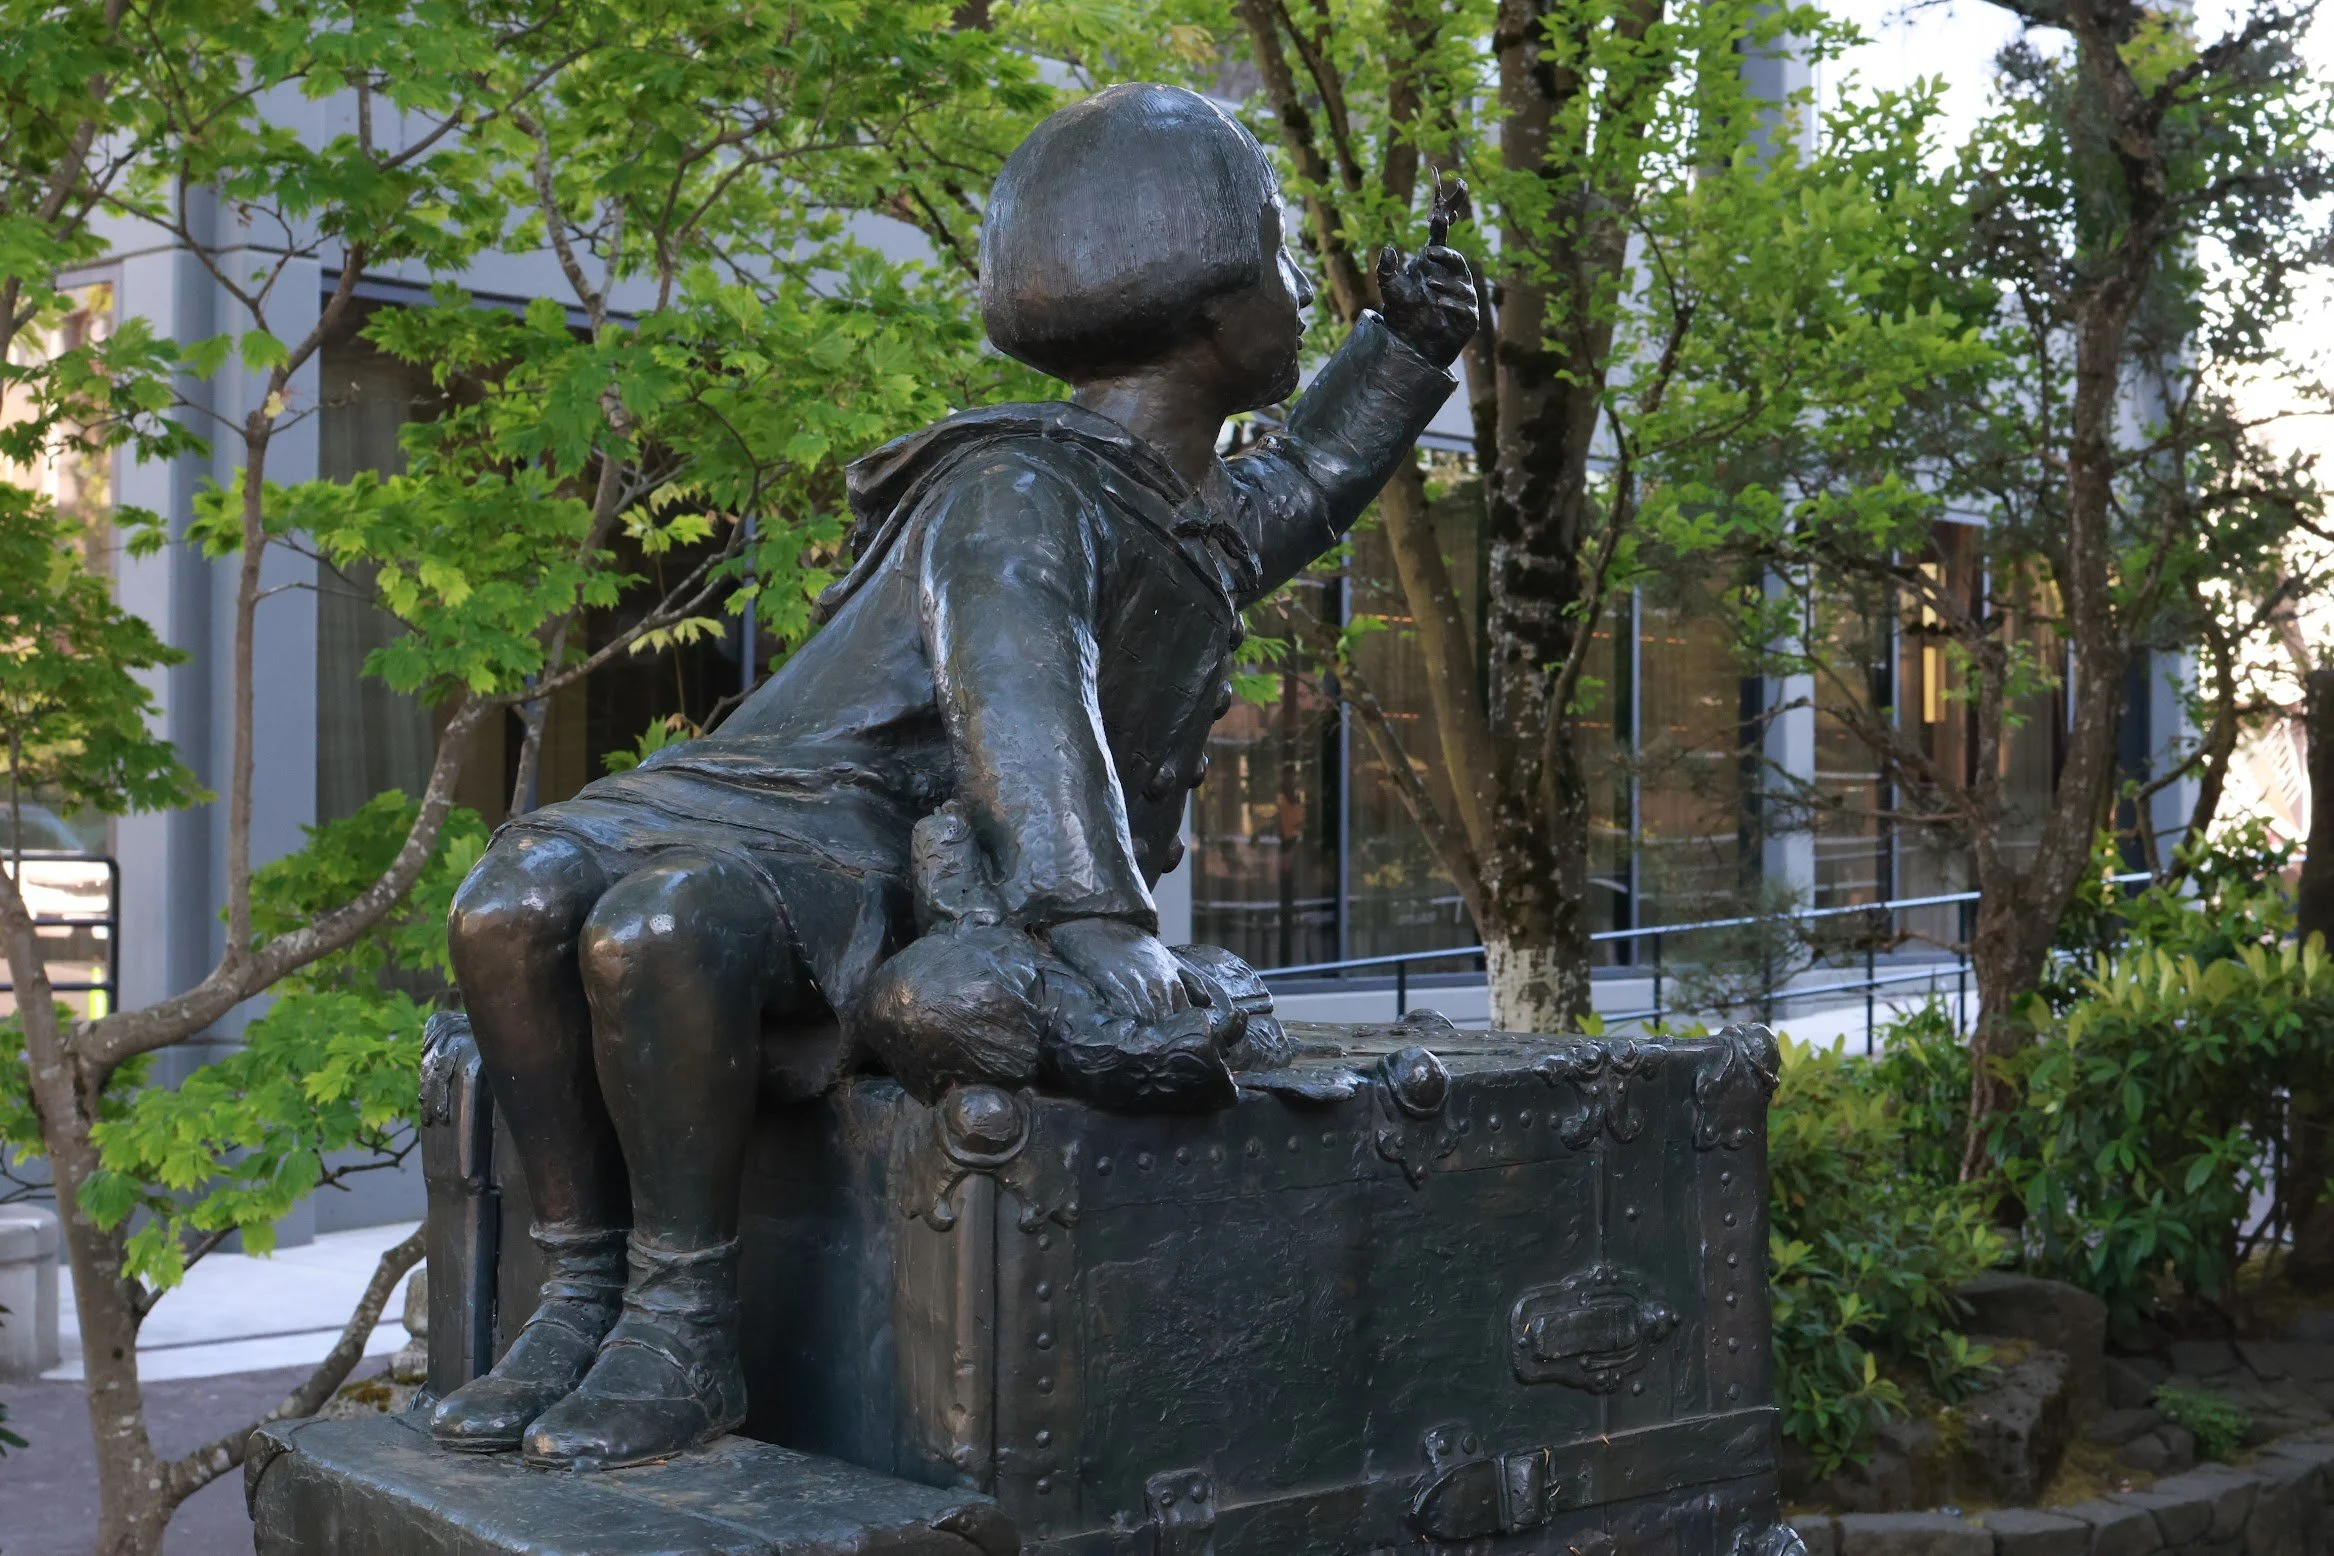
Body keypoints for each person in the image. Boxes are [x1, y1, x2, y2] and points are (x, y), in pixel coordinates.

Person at [429, 81, 1477, 1472]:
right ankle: (576, 1300)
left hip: (861, 840)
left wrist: (1404, 345)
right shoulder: (1021, 483)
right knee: (506, 905)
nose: (1300, 290)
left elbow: (1308, 483)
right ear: (1221, 312)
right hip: (787, 796)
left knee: (662, 930)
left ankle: (678, 1325)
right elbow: (1019, 701)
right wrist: (1093, 920)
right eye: (1287, 259)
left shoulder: (1180, 515)